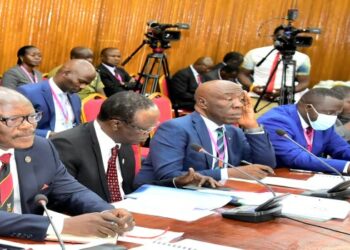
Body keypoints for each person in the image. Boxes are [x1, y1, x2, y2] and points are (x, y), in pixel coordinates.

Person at [0, 87, 134, 241]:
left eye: (32, 116)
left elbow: (71, 191)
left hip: (25, 241)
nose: (28, 126)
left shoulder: (41, 148)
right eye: (13, 120)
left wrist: (107, 212)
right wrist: (61, 225)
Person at [51, 91, 221, 202]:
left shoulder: (123, 140)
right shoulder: (67, 145)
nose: (149, 134)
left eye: (152, 128)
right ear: (116, 124)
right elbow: (63, 196)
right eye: (145, 129)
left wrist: (177, 181)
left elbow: (127, 189)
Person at [134, 80, 276, 187]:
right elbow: (168, 176)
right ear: (203, 103)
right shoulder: (175, 128)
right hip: (167, 196)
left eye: (241, 100)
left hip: (213, 194)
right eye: (229, 99)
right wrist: (226, 173)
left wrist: (252, 126)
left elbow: (264, 167)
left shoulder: (234, 131)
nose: (238, 105)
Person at [257, 88, 350, 173]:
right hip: (275, 176)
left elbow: (342, 149)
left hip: (307, 177)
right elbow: (294, 157)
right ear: (308, 108)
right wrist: (347, 166)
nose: (333, 117)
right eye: (330, 112)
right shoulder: (276, 121)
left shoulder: (322, 122)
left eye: (337, 113)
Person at [17, 59, 96, 138]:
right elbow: (15, 126)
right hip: (41, 143)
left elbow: (76, 125)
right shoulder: (29, 92)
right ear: (66, 74)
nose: (83, 86)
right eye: (81, 81)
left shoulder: (75, 98)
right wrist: (49, 135)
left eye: (87, 84)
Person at [238, 25, 311, 101]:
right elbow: (242, 74)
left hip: (285, 100)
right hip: (256, 97)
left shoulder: (303, 58)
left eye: (288, 37)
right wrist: (253, 87)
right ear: (274, 37)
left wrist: (286, 92)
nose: (284, 40)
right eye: (281, 37)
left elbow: (304, 82)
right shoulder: (254, 53)